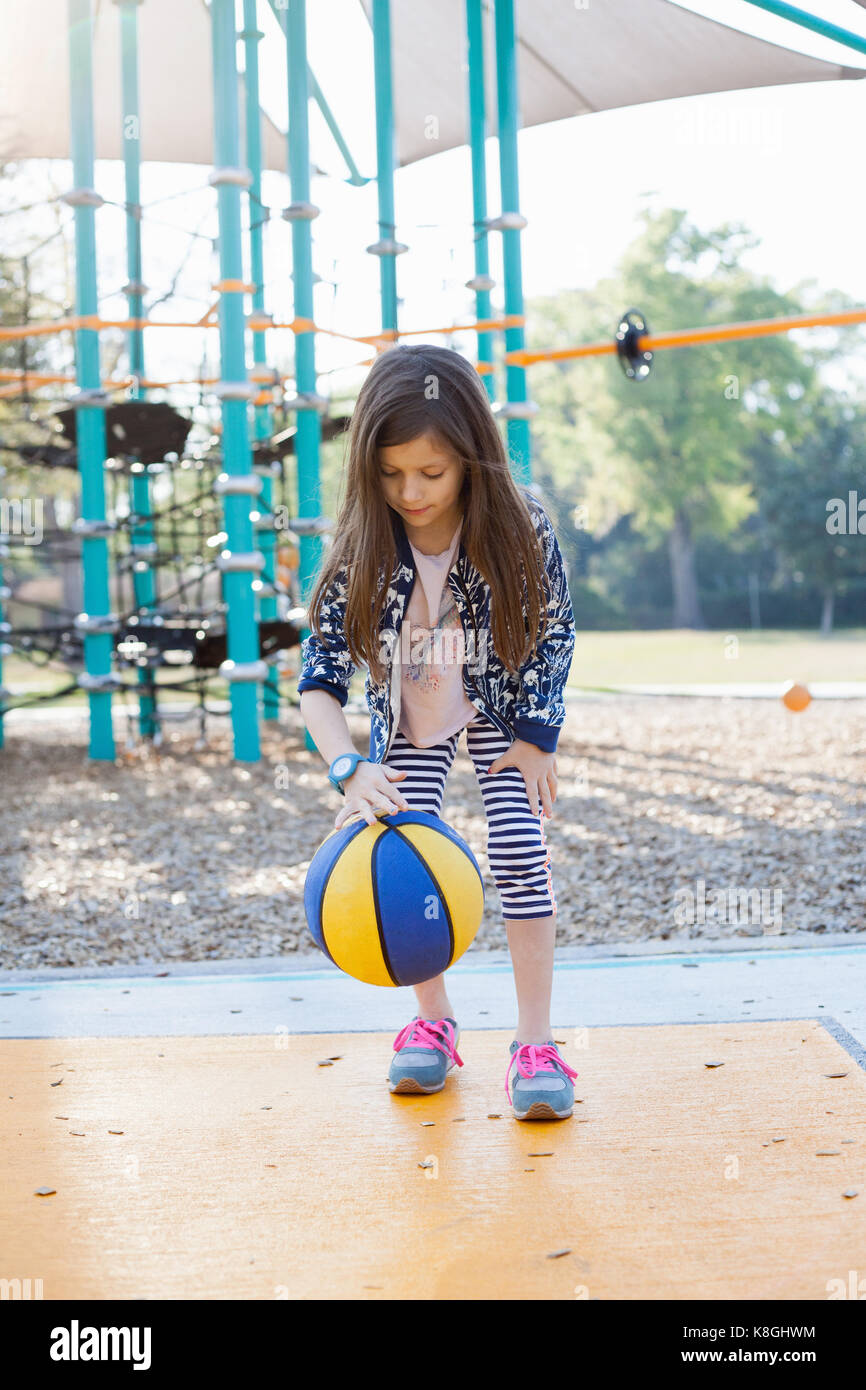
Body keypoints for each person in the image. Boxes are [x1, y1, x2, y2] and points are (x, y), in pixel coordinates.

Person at [298, 344, 578, 1120]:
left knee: (520, 850)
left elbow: (555, 632)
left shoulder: (519, 526)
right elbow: (317, 683)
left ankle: (536, 1040)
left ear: (470, 458)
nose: (411, 491)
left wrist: (539, 735)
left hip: (498, 709)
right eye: (391, 475)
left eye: (431, 472)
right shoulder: (361, 545)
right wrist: (350, 769)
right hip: (410, 720)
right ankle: (432, 1020)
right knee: (400, 862)